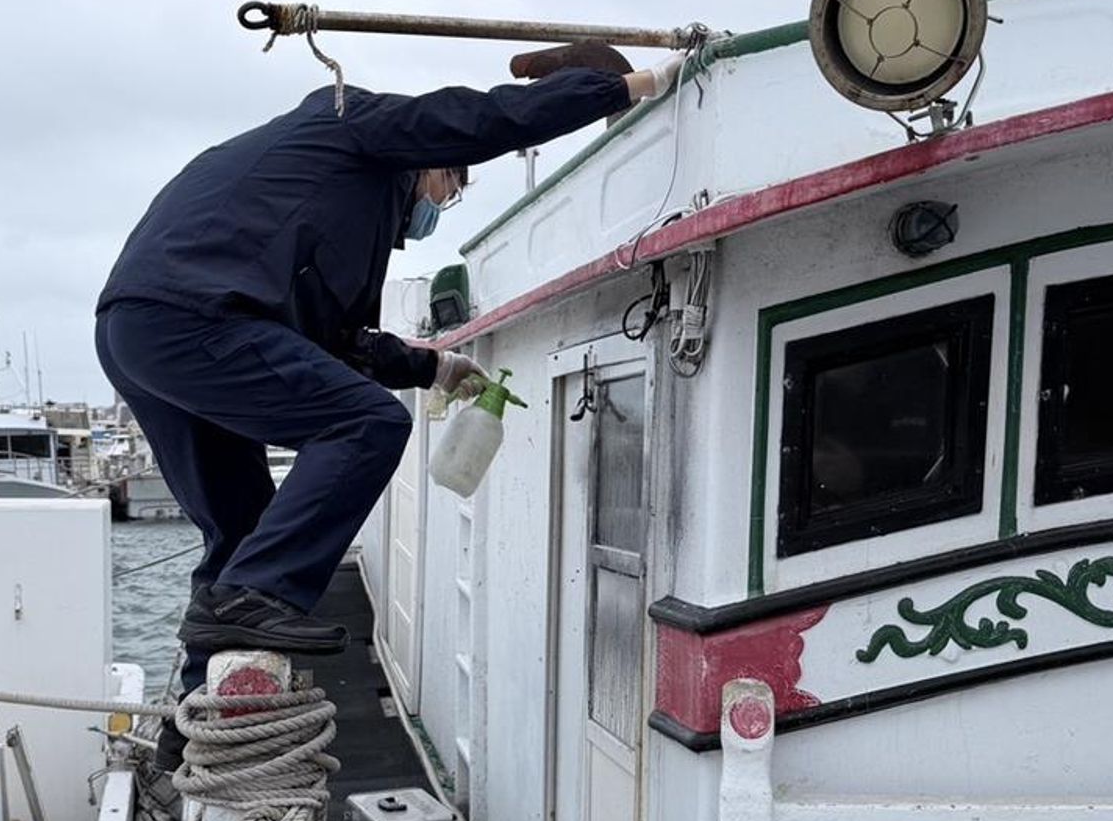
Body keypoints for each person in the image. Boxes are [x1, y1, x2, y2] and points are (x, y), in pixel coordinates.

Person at [94, 47, 684, 768]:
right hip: (196, 318)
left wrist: (433, 365)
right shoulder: (359, 125)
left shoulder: (318, 194)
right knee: (369, 423)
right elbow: (488, 116)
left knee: (242, 527)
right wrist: (628, 85)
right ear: (429, 161)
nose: (439, 203)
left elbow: (336, 343)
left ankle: (190, 724)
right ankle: (256, 596)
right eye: (448, 184)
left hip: (137, 331)